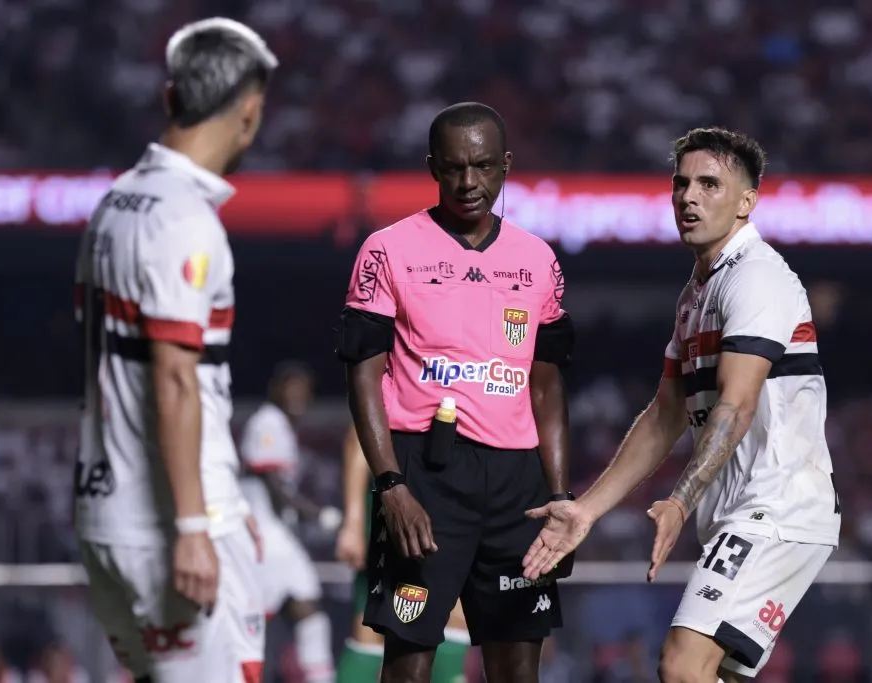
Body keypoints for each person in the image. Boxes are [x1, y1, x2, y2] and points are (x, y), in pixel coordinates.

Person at [522, 127, 841, 683]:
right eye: (681, 183)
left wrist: (679, 500)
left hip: (777, 509)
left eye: (709, 184)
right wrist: (587, 510)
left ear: (746, 202)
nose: (689, 196)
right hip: (748, 512)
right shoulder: (697, 292)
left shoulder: (757, 277)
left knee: (681, 663)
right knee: (712, 674)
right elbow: (665, 414)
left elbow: (736, 407)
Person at [335, 101, 575, 683]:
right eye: (454, 167)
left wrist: (560, 499)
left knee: (518, 668)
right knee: (408, 663)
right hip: (424, 477)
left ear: (505, 165)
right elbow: (363, 374)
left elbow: (547, 390)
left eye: (483, 166)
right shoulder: (387, 250)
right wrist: (390, 485)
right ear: (433, 168)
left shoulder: (539, 260)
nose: (469, 181)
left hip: (518, 486)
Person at [72, 17, 277, 683]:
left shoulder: (114, 203)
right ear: (249, 111)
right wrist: (193, 522)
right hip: (171, 521)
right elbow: (175, 378)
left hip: (105, 509)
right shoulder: (186, 219)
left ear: (170, 97)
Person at [334, 424, 471, 682]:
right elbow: (359, 436)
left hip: (455, 506)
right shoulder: (396, 397)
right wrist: (353, 520)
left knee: (456, 617)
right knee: (373, 627)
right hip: (397, 510)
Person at [238, 362, 337, 683]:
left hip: (273, 532)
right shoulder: (268, 422)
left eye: (304, 391)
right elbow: (272, 481)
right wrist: (315, 513)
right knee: (261, 617)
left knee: (302, 608)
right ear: (276, 390)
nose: (298, 396)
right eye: (291, 388)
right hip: (261, 533)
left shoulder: (280, 425)